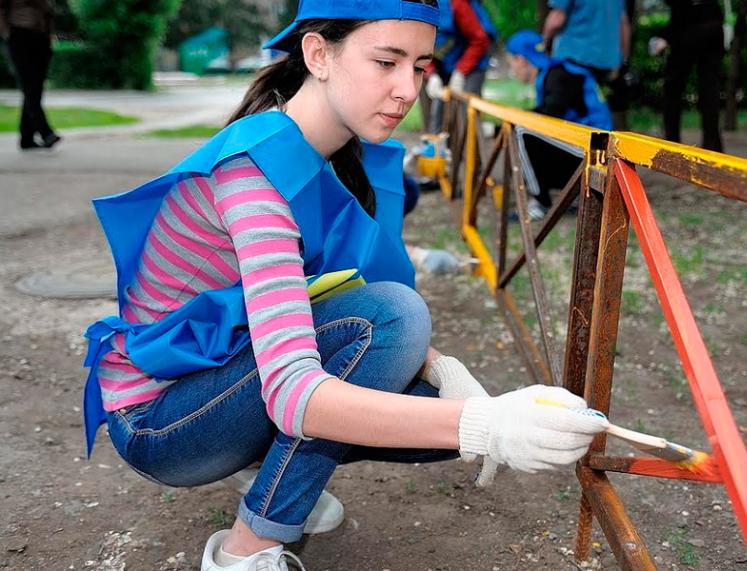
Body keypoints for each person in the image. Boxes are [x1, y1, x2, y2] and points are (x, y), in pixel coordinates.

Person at [80, 1, 609, 570]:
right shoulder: (254, 174)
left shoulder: (327, 157)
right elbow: (295, 388)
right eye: (386, 61)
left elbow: (327, 291)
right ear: (317, 54)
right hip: (159, 422)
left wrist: (442, 372)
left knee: (429, 400)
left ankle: (273, 479)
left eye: (421, 67)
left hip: (217, 379)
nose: (407, 89)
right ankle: (243, 552)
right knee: (395, 324)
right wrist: (488, 423)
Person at [506, 29, 611, 218]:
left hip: (598, 158)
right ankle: (570, 195)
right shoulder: (555, 72)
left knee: (521, 130)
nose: (512, 69)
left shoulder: (558, 76)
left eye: (511, 62)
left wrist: (515, 117)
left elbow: (549, 116)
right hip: (590, 149)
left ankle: (540, 203)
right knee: (521, 127)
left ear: (520, 59)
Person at [542, 0, 631, 130]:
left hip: (573, 62)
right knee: (599, 116)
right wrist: (621, 61)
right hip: (607, 65)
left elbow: (557, 19)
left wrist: (543, 43)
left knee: (558, 122)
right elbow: (624, 24)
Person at [656, 0, 725, 152]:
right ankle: (712, 145)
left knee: (673, 89)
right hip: (712, 23)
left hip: (689, 26)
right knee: (710, 89)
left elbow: (680, 10)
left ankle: (672, 144)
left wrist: (667, 36)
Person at [426, 0, 497, 132]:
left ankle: (469, 149)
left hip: (473, 59)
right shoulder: (413, 9)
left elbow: (480, 40)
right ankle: (436, 148)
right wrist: (431, 74)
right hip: (444, 60)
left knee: (466, 108)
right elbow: (419, 47)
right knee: (438, 106)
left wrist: (460, 71)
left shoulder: (457, 4)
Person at [0, 0, 61, 150]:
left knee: (35, 88)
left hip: (41, 37)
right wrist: (6, 33)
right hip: (19, 35)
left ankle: (26, 138)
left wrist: (50, 34)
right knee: (29, 86)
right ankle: (45, 132)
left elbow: (48, 11)